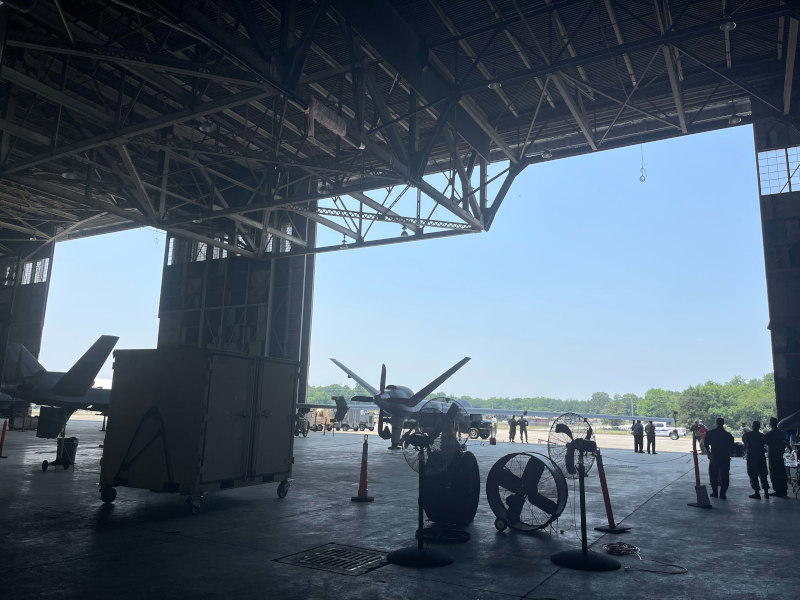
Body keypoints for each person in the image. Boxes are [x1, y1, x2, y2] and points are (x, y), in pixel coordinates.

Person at [704, 418, 735, 499]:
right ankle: (722, 494)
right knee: (725, 475)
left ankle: (715, 492)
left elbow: (706, 443)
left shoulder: (711, 433)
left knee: (713, 474)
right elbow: (732, 447)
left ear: (716, 423)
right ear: (723, 423)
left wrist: (708, 452)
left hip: (714, 456)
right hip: (725, 457)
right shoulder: (728, 435)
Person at [742, 421, 770, 499]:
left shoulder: (747, 435)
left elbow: (746, 444)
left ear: (753, 426)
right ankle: (766, 492)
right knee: (763, 474)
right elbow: (766, 444)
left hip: (751, 457)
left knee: (753, 474)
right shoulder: (762, 436)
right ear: (759, 427)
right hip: (761, 457)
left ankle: (757, 492)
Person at [765, 417, 789, 497]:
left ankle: (778, 490)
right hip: (780, 455)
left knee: (774, 473)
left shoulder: (769, 434)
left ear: (771, 424)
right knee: (781, 472)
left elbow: (765, 442)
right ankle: (783, 489)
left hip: (772, 455)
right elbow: (785, 442)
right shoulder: (782, 433)